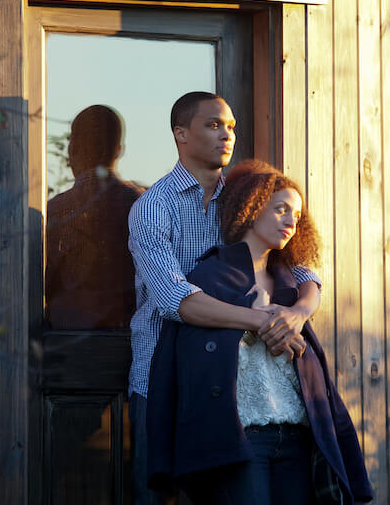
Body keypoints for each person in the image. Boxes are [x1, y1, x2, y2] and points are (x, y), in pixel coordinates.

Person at [128, 92, 323, 504]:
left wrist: (297, 314)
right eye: (214, 125)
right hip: (163, 379)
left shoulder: (243, 200)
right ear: (181, 134)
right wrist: (265, 322)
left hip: (233, 386)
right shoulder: (152, 209)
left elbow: (300, 270)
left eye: (231, 126)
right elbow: (176, 300)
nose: (227, 135)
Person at [146, 160, 373, 504]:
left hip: (296, 437)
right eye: (280, 208)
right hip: (243, 441)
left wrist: (291, 316)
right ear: (252, 207)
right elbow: (195, 362)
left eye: (296, 216)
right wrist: (257, 322)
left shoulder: (291, 284)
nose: (290, 221)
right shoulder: (210, 277)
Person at [45, 104, 142, 329]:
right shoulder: (143, 205)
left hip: (64, 344)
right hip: (132, 343)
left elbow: (41, 283)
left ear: (73, 149)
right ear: (119, 149)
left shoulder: (54, 211)